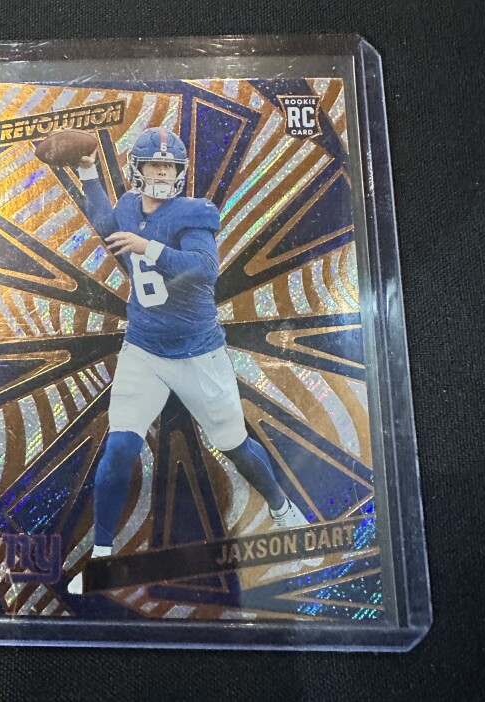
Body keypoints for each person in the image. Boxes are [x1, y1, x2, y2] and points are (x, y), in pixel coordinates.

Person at [68, 127, 313, 594]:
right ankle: (101, 558)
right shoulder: (128, 207)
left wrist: (149, 248)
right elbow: (106, 225)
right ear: (138, 170)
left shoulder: (194, 213)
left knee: (234, 444)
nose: (162, 174)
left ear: (179, 172)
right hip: (143, 347)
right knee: (119, 449)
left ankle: (283, 510)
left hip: (198, 352)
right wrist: (88, 173)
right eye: (154, 166)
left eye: (169, 167)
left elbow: (204, 269)